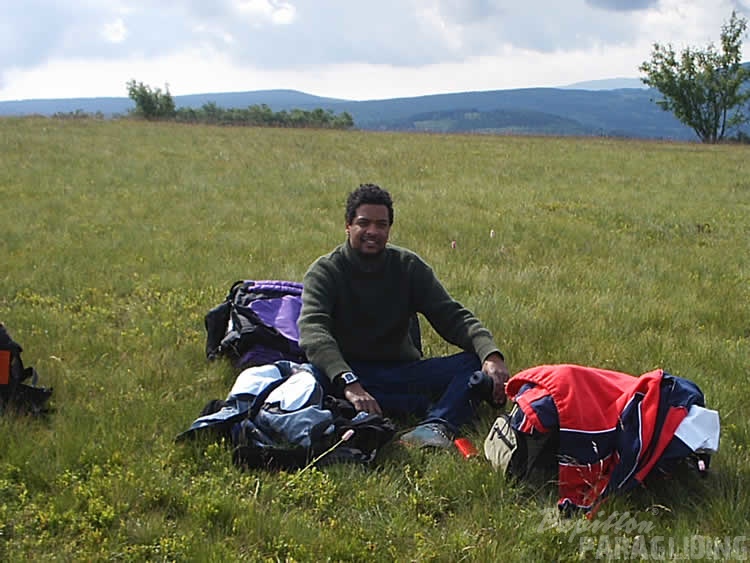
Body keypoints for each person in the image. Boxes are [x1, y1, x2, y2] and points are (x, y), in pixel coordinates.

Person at [297, 183, 509, 449]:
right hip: (349, 373)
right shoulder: (325, 271)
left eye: (381, 225)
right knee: (311, 375)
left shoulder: (408, 267)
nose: (372, 231)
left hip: (401, 370)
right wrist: (350, 383)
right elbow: (313, 331)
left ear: (389, 229)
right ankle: (418, 405)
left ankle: (436, 425)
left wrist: (491, 355)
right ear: (348, 226)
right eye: (364, 223)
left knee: (471, 364)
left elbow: (452, 316)